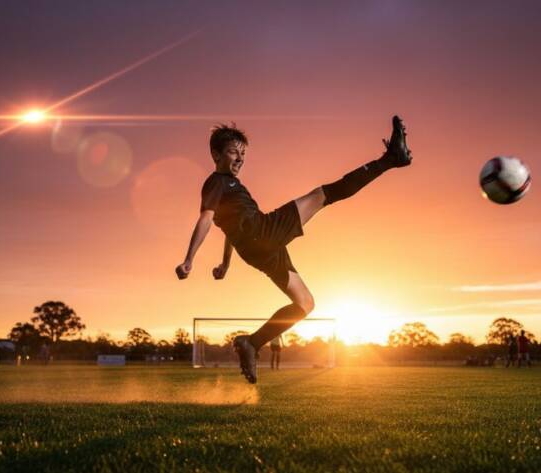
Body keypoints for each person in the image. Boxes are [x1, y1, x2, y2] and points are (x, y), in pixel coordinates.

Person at [176, 116, 412, 383]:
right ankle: (391, 158)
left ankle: (251, 343)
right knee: (322, 195)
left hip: (258, 248)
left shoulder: (231, 186)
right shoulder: (216, 182)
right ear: (216, 154)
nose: (240, 158)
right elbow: (206, 218)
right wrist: (189, 259)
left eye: (243, 153)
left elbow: (230, 230)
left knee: (305, 304)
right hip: (263, 231)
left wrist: (226, 264)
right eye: (233, 152)